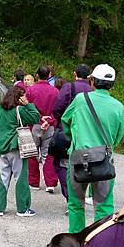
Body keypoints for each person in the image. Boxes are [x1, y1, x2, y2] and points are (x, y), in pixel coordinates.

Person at [61, 64, 124, 233]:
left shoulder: (80, 100)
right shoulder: (119, 107)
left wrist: (73, 140)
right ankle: (100, 243)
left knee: (76, 204)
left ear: (92, 81)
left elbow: (65, 120)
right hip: (104, 160)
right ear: (112, 85)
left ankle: (77, 243)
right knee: (104, 206)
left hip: (78, 158)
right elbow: (118, 136)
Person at [0, 86, 40, 217]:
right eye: (23, 95)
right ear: (18, 97)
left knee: (3, 178)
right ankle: (22, 208)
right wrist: (29, 105)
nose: (25, 98)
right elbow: (35, 118)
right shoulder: (19, 109)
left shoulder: (1, 111)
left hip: (2, 149)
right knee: (20, 178)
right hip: (16, 147)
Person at [52, 65, 91, 202]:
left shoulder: (69, 87)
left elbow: (57, 107)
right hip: (88, 132)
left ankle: (71, 197)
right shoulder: (93, 89)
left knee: (62, 163)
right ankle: (85, 193)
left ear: (75, 74)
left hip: (68, 130)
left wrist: (60, 119)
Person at [26, 65, 59, 193]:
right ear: (49, 75)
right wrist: (48, 119)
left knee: (32, 154)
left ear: (37, 75)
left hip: (34, 125)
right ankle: (50, 183)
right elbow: (57, 109)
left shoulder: (31, 90)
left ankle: (34, 182)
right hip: (50, 126)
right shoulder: (55, 91)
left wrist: (40, 119)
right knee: (48, 154)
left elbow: (27, 108)